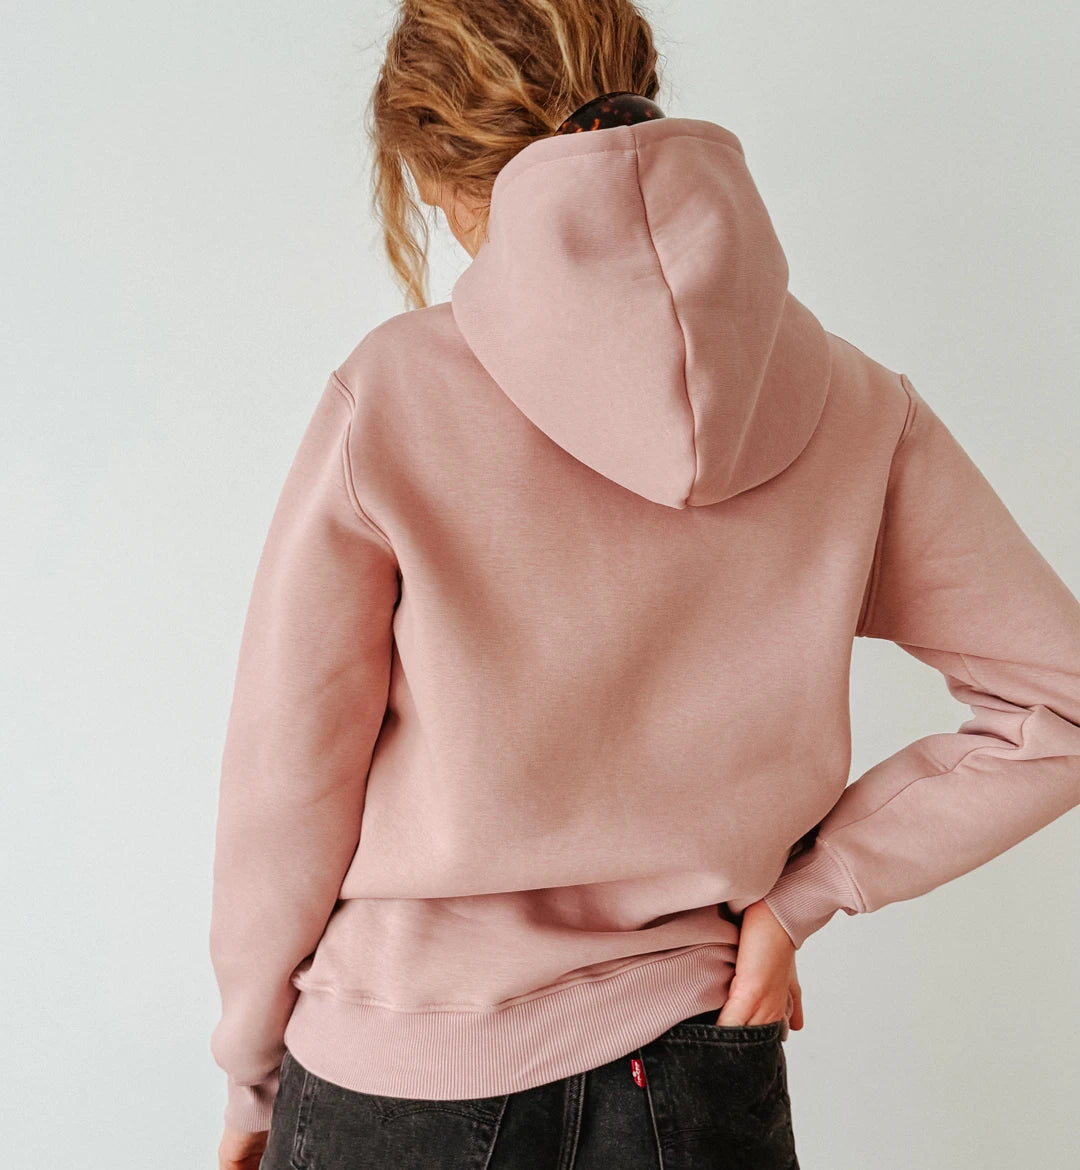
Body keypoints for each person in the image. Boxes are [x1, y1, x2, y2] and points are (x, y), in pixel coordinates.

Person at [209, 2, 1080, 1168]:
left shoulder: (395, 393)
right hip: (693, 1061)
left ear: (433, 166)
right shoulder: (858, 406)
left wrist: (252, 1074)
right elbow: (1060, 701)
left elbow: (289, 776)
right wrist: (806, 897)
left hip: (400, 1070)